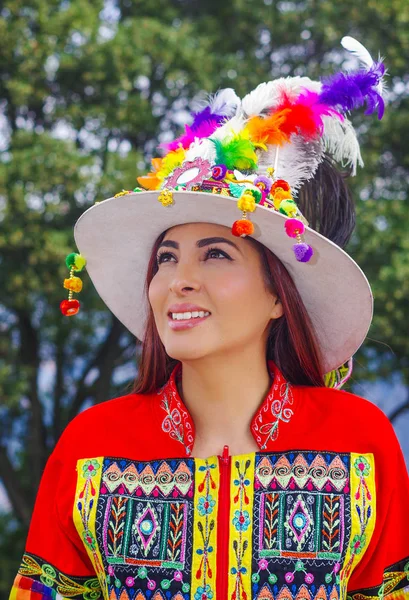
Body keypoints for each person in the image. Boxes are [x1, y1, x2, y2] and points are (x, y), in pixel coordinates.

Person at [9, 38, 409, 600]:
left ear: (279, 295)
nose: (178, 279)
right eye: (166, 258)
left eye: (216, 253)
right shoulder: (91, 448)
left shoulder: (359, 439)